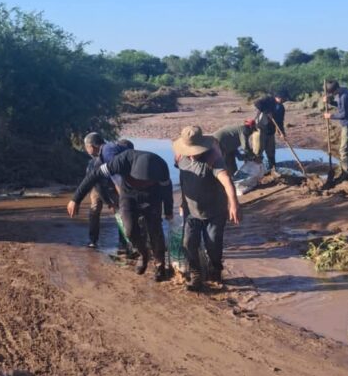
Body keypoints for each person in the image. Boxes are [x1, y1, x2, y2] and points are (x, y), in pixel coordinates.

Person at [67, 149, 173, 281]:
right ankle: (143, 253)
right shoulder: (121, 161)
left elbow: (167, 190)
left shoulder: (161, 166)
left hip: (152, 198)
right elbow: (94, 174)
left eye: (147, 182)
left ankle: (159, 265)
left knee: (155, 230)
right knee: (129, 230)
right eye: (140, 182)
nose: (143, 184)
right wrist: (76, 199)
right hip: (129, 197)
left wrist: (168, 211)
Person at [173, 125, 241, 292]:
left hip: (214, 211)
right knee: (188, 242)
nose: (193, 155)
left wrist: (233, 204)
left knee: (213, 244)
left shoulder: (213, 159)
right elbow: (184, 181)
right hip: (191, 211)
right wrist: (182, 202)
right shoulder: (180, 158)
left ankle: (216, 270)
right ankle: (195, 274)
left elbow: (227, 182)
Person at [83, 132, 134, 249]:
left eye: (86, 147)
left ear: (91, 146)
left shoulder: (112, 155)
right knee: (95, 209)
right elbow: (98, 186)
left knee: (120, 211)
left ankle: (124, 241)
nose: (86, 150)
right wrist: (108, 202)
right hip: (98, 186)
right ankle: (93, 240)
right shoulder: (93, 163)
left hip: (113, 185)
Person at [324, 79, 348, 181]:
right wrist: (330, 102)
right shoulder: (342, 91)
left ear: (336, 90)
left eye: (332, 93)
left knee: (343, 150)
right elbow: (340, 106)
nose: (332, 95)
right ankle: (347, 172)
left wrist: (330, 116)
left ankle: (346, 174)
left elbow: (344, 114)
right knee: (345, 149)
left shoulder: (344, 96)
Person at [252, 90, 288, 170]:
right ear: (278, 97)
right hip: (260, 130)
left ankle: (272, 169)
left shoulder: (281, 108)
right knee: (258, 152)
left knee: (271, 152)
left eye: (285, 99)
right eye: (283, 99)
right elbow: (256, 103)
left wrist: (282, 133)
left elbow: (280, 122)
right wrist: (267, 112)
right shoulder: (268, 100)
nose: (284, 101)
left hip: (271, 132)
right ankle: (255, 170)